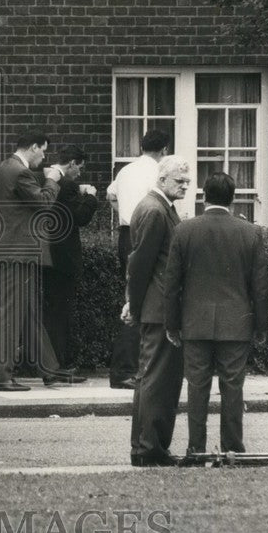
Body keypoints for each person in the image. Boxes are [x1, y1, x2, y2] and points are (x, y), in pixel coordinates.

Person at [164, 172, 268, 455]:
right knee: (233, 388)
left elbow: (171, 283)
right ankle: (233, 448)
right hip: (236, 323)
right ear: (232, 199)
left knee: (197, 388)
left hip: (194, 322)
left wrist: (171, 324)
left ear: (203, 197)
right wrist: (260, 326)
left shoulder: (184, 230)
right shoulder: (251, 232)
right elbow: (259, 286)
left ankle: (196, 449)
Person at [0, 131, 72, 392]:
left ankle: (49, 370)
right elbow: (44, 202)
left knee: (27, 311)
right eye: (43, 151)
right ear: (34, 147)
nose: (44, 156)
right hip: (20, 250)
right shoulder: (21, 173)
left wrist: (1, 222)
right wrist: (52, 179)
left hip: (10, 248)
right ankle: (0, 376)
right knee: (11, 312)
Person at [123, 155, 189, 466]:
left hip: (156, 306)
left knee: (153, 378)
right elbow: (140, 263)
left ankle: (147, 446)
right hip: (160, 308)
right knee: (157, 380)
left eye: (187, 180)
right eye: (179, 180)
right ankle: (150, 448)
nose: (186, 185)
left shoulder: (158, 207)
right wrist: (134, 306)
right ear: (162, 180)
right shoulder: (155, 210)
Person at [106, 129, 170, 389]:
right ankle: (125, 370)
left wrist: (124, 213)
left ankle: (130, 368)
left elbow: (110, 195)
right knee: (139, 300)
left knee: (132, 297)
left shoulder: (126, 170)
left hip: (126, 233)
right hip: (146, 234)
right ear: (164, 149)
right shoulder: (158, 172)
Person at [44, 145, 98, 377]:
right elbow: (80, 217)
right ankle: (61, 365)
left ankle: (51, 363)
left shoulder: (46, 180)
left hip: (47, 254)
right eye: (80, 168)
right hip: (63, 257)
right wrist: (91, 197)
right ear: (73, 163)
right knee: (61, 313)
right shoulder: (66, 184)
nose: (80, 174)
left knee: (51, 311)